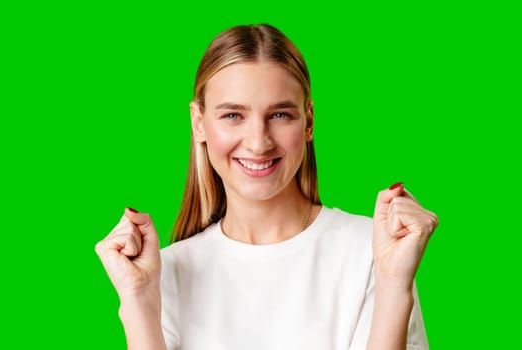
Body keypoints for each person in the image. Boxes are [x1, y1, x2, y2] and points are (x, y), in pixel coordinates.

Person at [95, 24, 438, 350]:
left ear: (309, 122)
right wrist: (137, 300)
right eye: (233, 115)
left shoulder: (371, 252)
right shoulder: (165, 273)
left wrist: (393, 284)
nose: (258, 143)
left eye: (280, 115)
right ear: (198, 123)